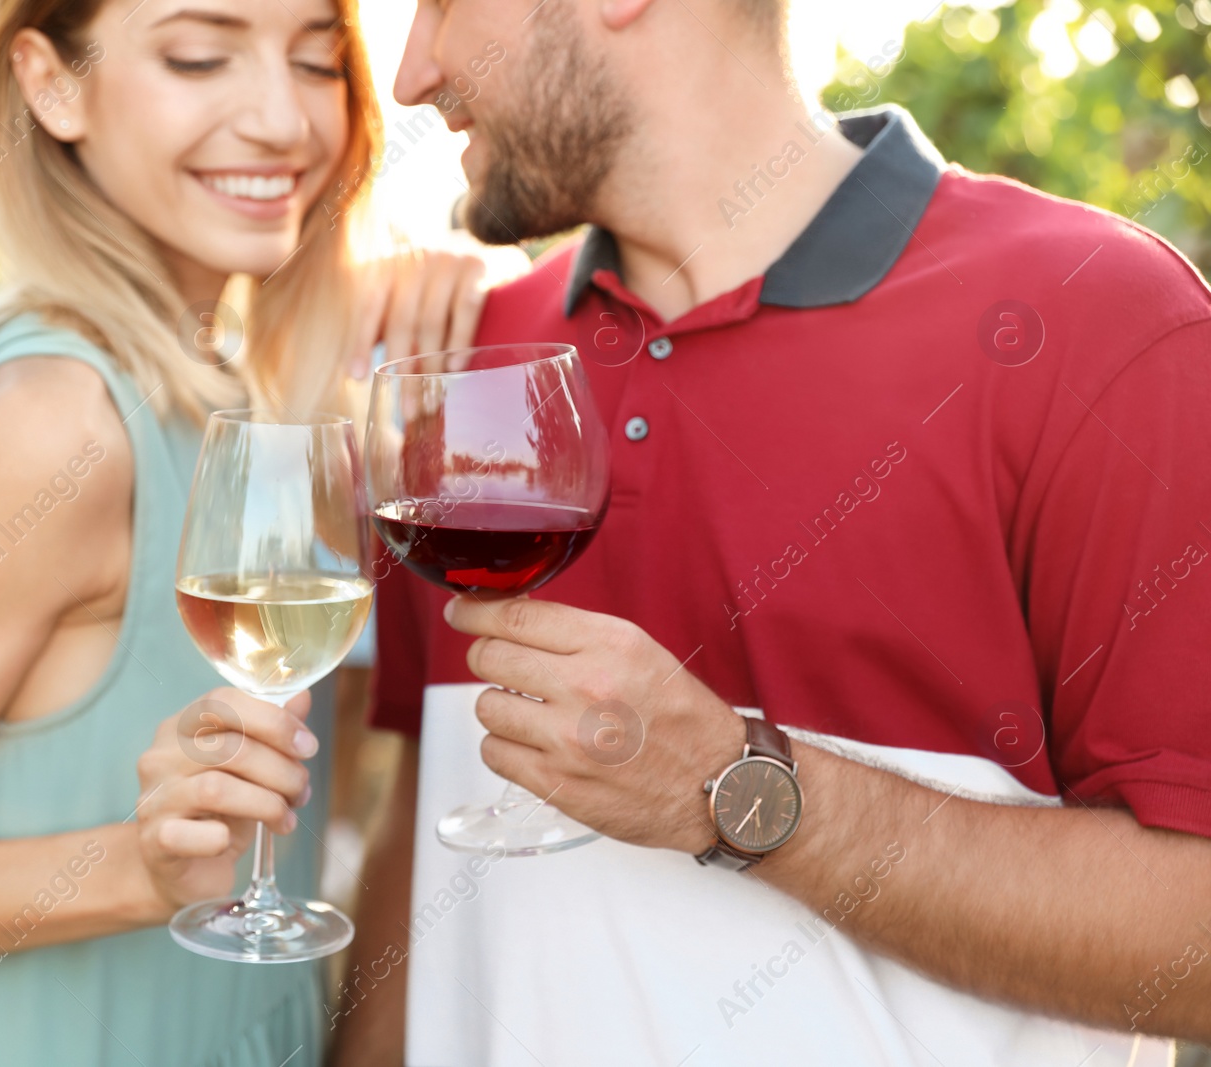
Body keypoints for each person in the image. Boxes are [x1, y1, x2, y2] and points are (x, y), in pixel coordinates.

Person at [336, 1, 1211, 1065]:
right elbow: (424, 831)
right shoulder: (471, 358)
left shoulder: (1098, 321)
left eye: (438, 6)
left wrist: (735, 790)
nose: (412, 75)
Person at [0, 0, 489, 1064]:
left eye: (316, 61)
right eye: (198, 55)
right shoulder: (52, 425)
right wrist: (133, 869)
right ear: (53, 83)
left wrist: (425, 302)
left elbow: (336, 766)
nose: (282, 119)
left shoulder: (242, 407)